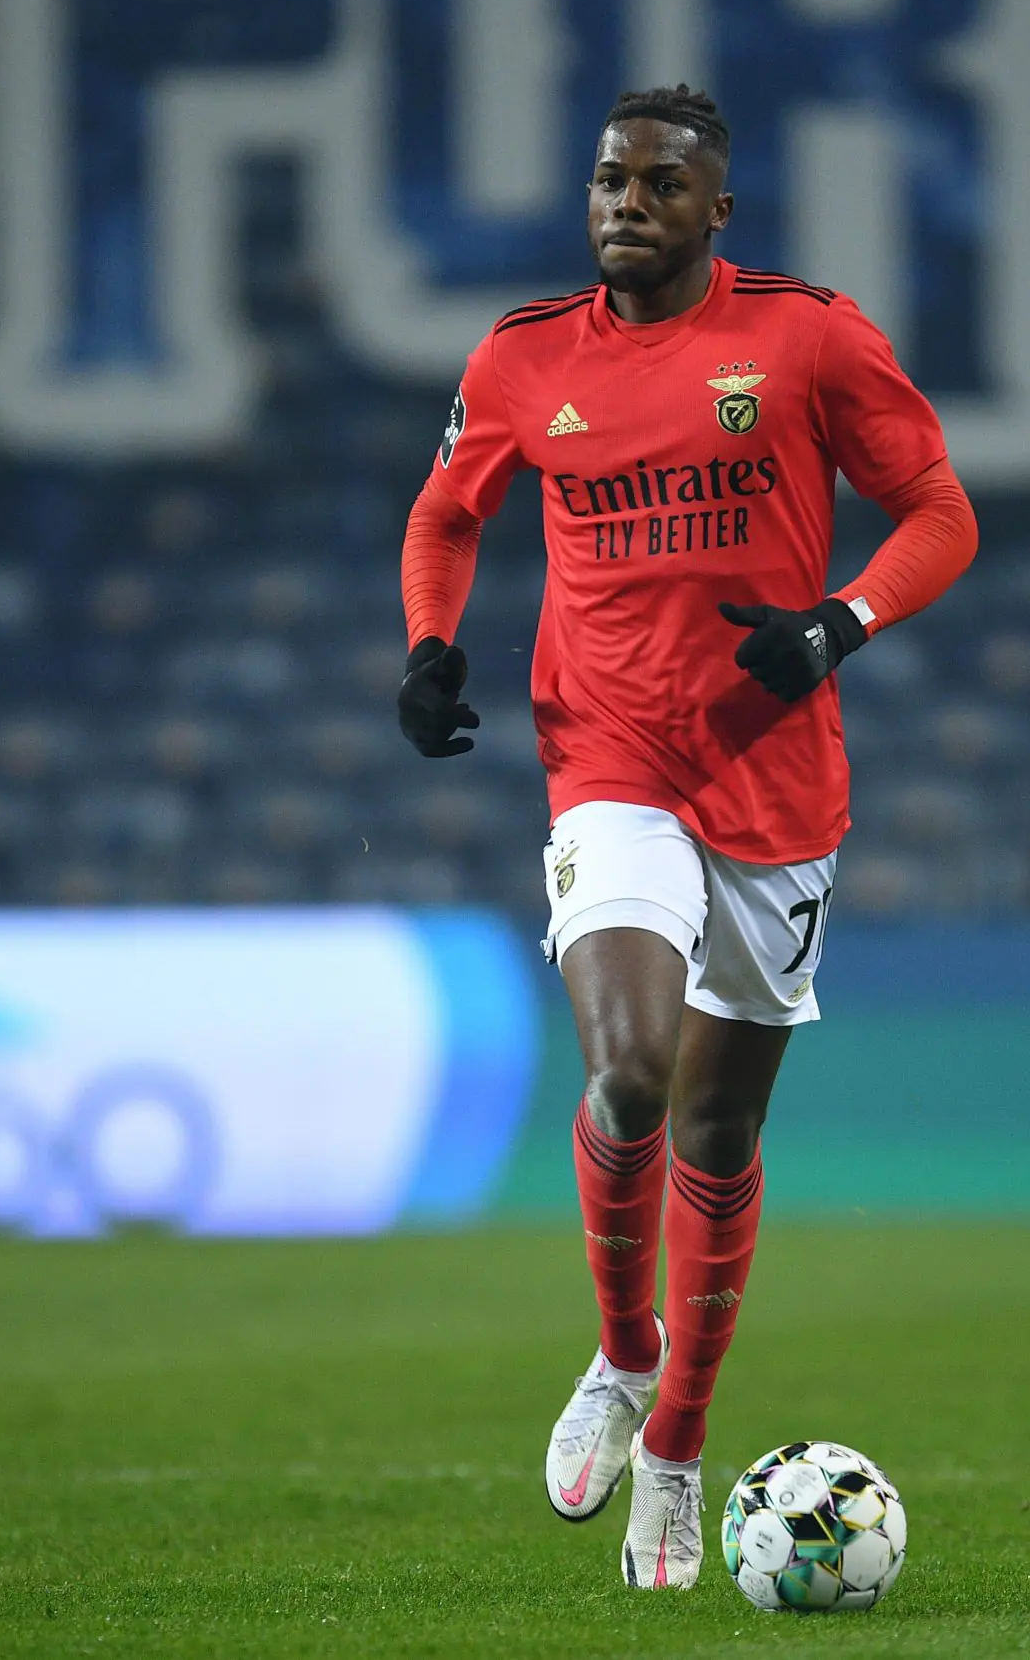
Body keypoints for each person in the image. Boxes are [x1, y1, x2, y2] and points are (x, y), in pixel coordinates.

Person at [395, 84, 977, 1589]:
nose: (627, 203)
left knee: (720, 1132)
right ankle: (625, 1347)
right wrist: (430, 645)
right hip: (608, 756)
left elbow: (938, 509)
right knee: (631, 1071)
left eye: (661, 184)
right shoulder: (525, 357)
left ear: (718, 209)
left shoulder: (808, 338)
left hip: (776, 779)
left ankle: (678, 1439)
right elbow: (447, 514)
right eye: (610, 179)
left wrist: (837, 624)